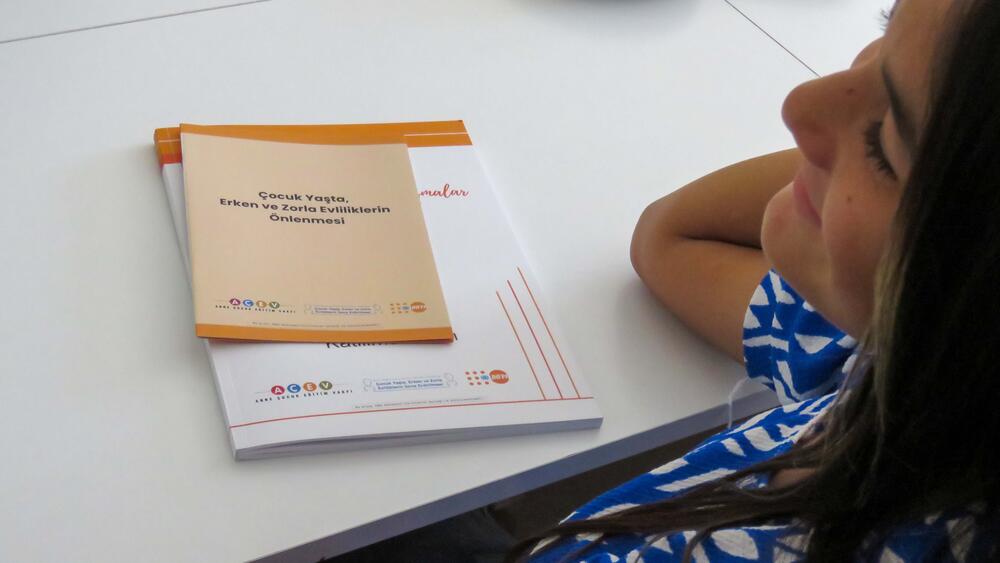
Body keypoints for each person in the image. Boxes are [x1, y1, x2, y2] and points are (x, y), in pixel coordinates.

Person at [508, 0, 1000, 560]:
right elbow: (672, 236)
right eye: (886, 29)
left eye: (885, 141)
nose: (797, 105)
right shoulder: (903, 363)